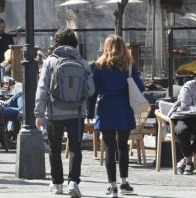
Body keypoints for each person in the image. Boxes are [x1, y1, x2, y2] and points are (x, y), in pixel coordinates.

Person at [35, 28, 94, 198]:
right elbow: (91, 90)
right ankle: (73, 182)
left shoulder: (50, 62)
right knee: (76, 147)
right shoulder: (83, 63)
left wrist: (39, 112)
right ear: (74, 43)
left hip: (55, 112)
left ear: (57, 42)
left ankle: (57, 183)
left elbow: (42, 88)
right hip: (76, 113)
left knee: (54, 148)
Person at [88, 35, 144, 197]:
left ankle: (112, 186)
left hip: (106, 109)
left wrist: (90, 112)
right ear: (123, 47)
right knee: (123, 148)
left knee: (109, 147)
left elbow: (92, 92)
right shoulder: (129, 66)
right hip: (124, 108)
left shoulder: (98, 66)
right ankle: (124, 183)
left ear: (106, 47)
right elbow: (140, 88)